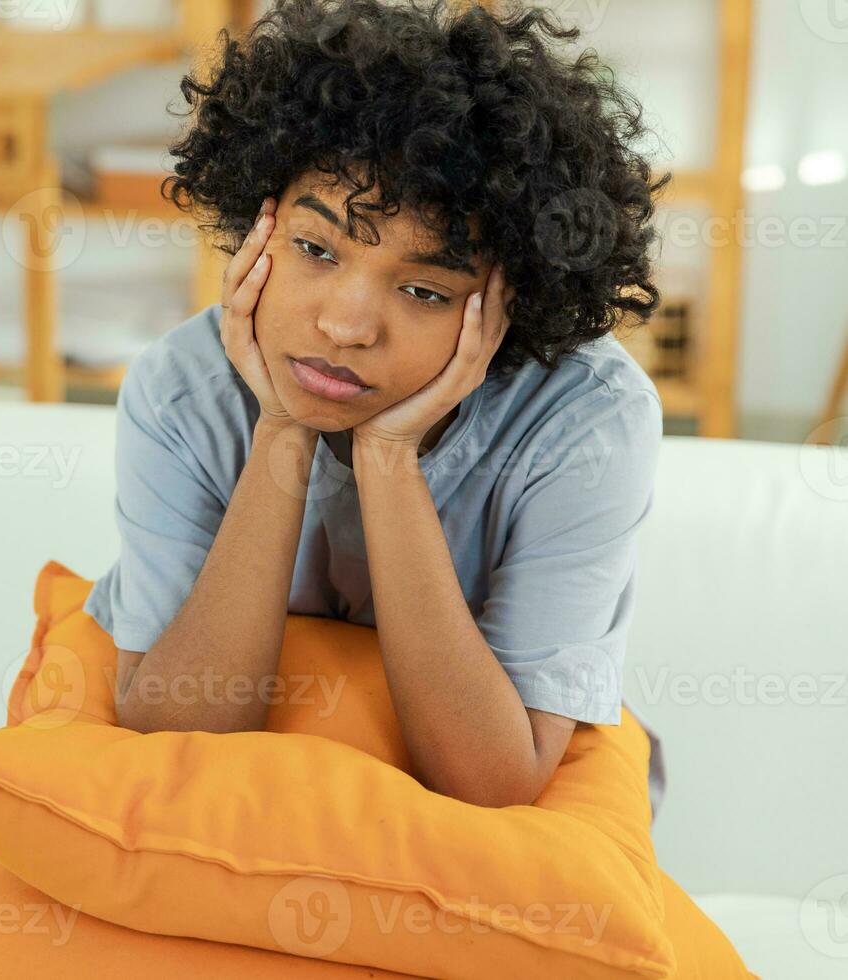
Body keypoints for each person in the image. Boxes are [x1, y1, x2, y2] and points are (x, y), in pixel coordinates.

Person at [84, 0, 670, 819]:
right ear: (260, 225)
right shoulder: (182, 388)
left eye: (425, 290)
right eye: (316, 250)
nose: (343, 326)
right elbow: (175, 738)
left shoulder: (586, 422)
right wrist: (282, 430)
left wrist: (389, 458)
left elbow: (493, 782)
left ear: (508, 307)